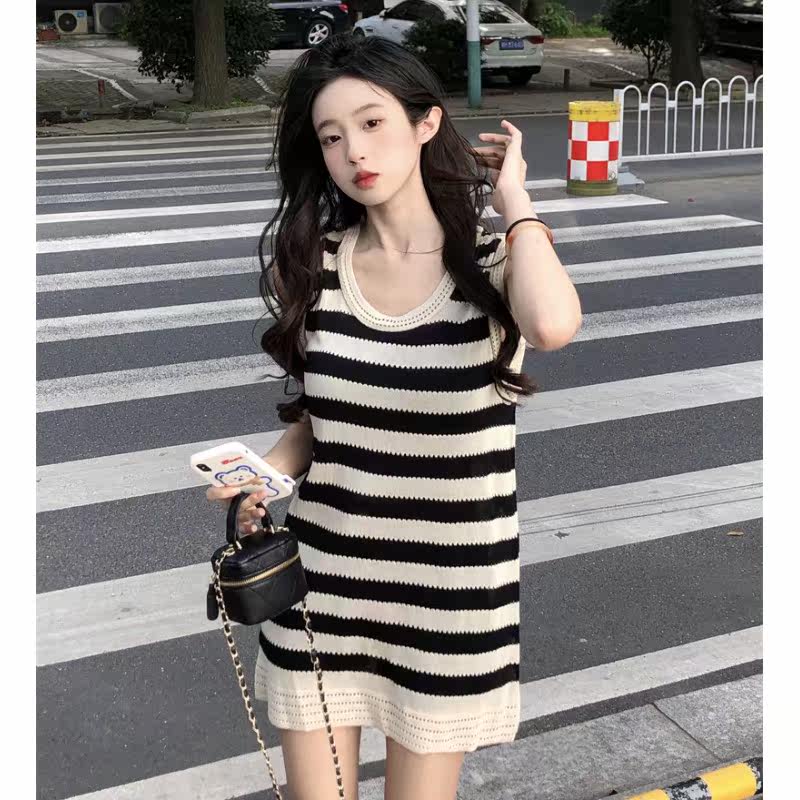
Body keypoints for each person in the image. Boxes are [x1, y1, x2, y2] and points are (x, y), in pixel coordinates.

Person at [207, 32, 581, 800]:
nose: (354, 151)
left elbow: (550, 325)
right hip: (324, 588)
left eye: (373, 122)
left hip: (447, 600)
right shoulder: (318, 260)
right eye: (331, 136)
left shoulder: (492, 259)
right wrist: (262, 479)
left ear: (425, 122)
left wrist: (515, 200)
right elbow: (320, 422)